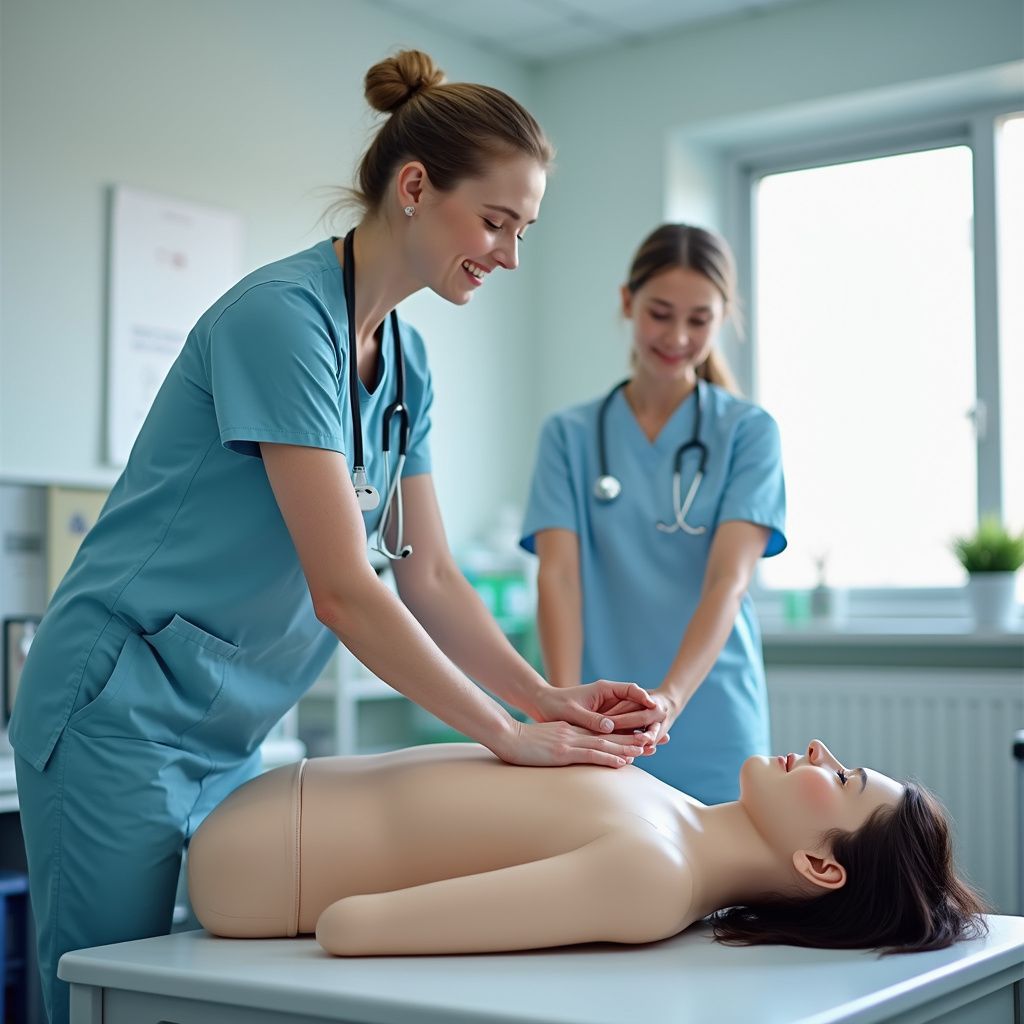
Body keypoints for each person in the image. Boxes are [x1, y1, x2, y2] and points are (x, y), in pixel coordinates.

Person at [10, 50, 662, 1024]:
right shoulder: (281, 321)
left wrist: (544, 696)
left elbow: (430, 573)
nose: (509, 255)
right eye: (496, 222)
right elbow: (348, 590)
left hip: (230, 724)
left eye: (523, 231)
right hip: (120, 702)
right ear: (413, 188)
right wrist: (502, 735)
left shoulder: (405, 364)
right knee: (104, 990)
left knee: (189, 988)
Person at [188, 738, 987, 955]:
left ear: (820, 865)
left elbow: (352, 927)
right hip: (275, 808)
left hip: (264, 862)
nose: (818, 749)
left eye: (841, 777)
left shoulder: (652, 877)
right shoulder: (672, 810)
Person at [521, 223, 787, 805]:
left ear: (724, 318)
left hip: (712, 711)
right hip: (602, 721)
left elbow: (728, 581)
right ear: (627, 302)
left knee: (726, 892)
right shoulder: (570, 436)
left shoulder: (748, 433)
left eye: (700, 320)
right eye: (660, 313)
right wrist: (566, 705)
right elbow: (559, 578)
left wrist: (671, 696)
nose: (678, 337)